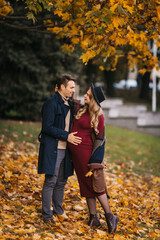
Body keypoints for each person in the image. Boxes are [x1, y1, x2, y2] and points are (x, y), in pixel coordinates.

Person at [68, 83, 119, 234]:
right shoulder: (82, 109)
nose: (84, 95)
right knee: (85, 186)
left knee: (95, 186)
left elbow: (100, 139)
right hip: (76, 157)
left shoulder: (98, 116)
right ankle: (93, 218)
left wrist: (95, 161)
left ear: (94, 100)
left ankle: (110, 216)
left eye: (88, 95)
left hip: (87, 156)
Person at [38, 74, 82, 223]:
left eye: (74, 88)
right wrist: (66, 136)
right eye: (71, 87)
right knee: (50, 181)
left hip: (66, 149)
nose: (73, 90)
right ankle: (46, 215)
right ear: (62, 87)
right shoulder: (51, 103)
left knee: (62, 181)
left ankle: (58, 210)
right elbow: (47, 127)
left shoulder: (69, 104)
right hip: (54, 148)